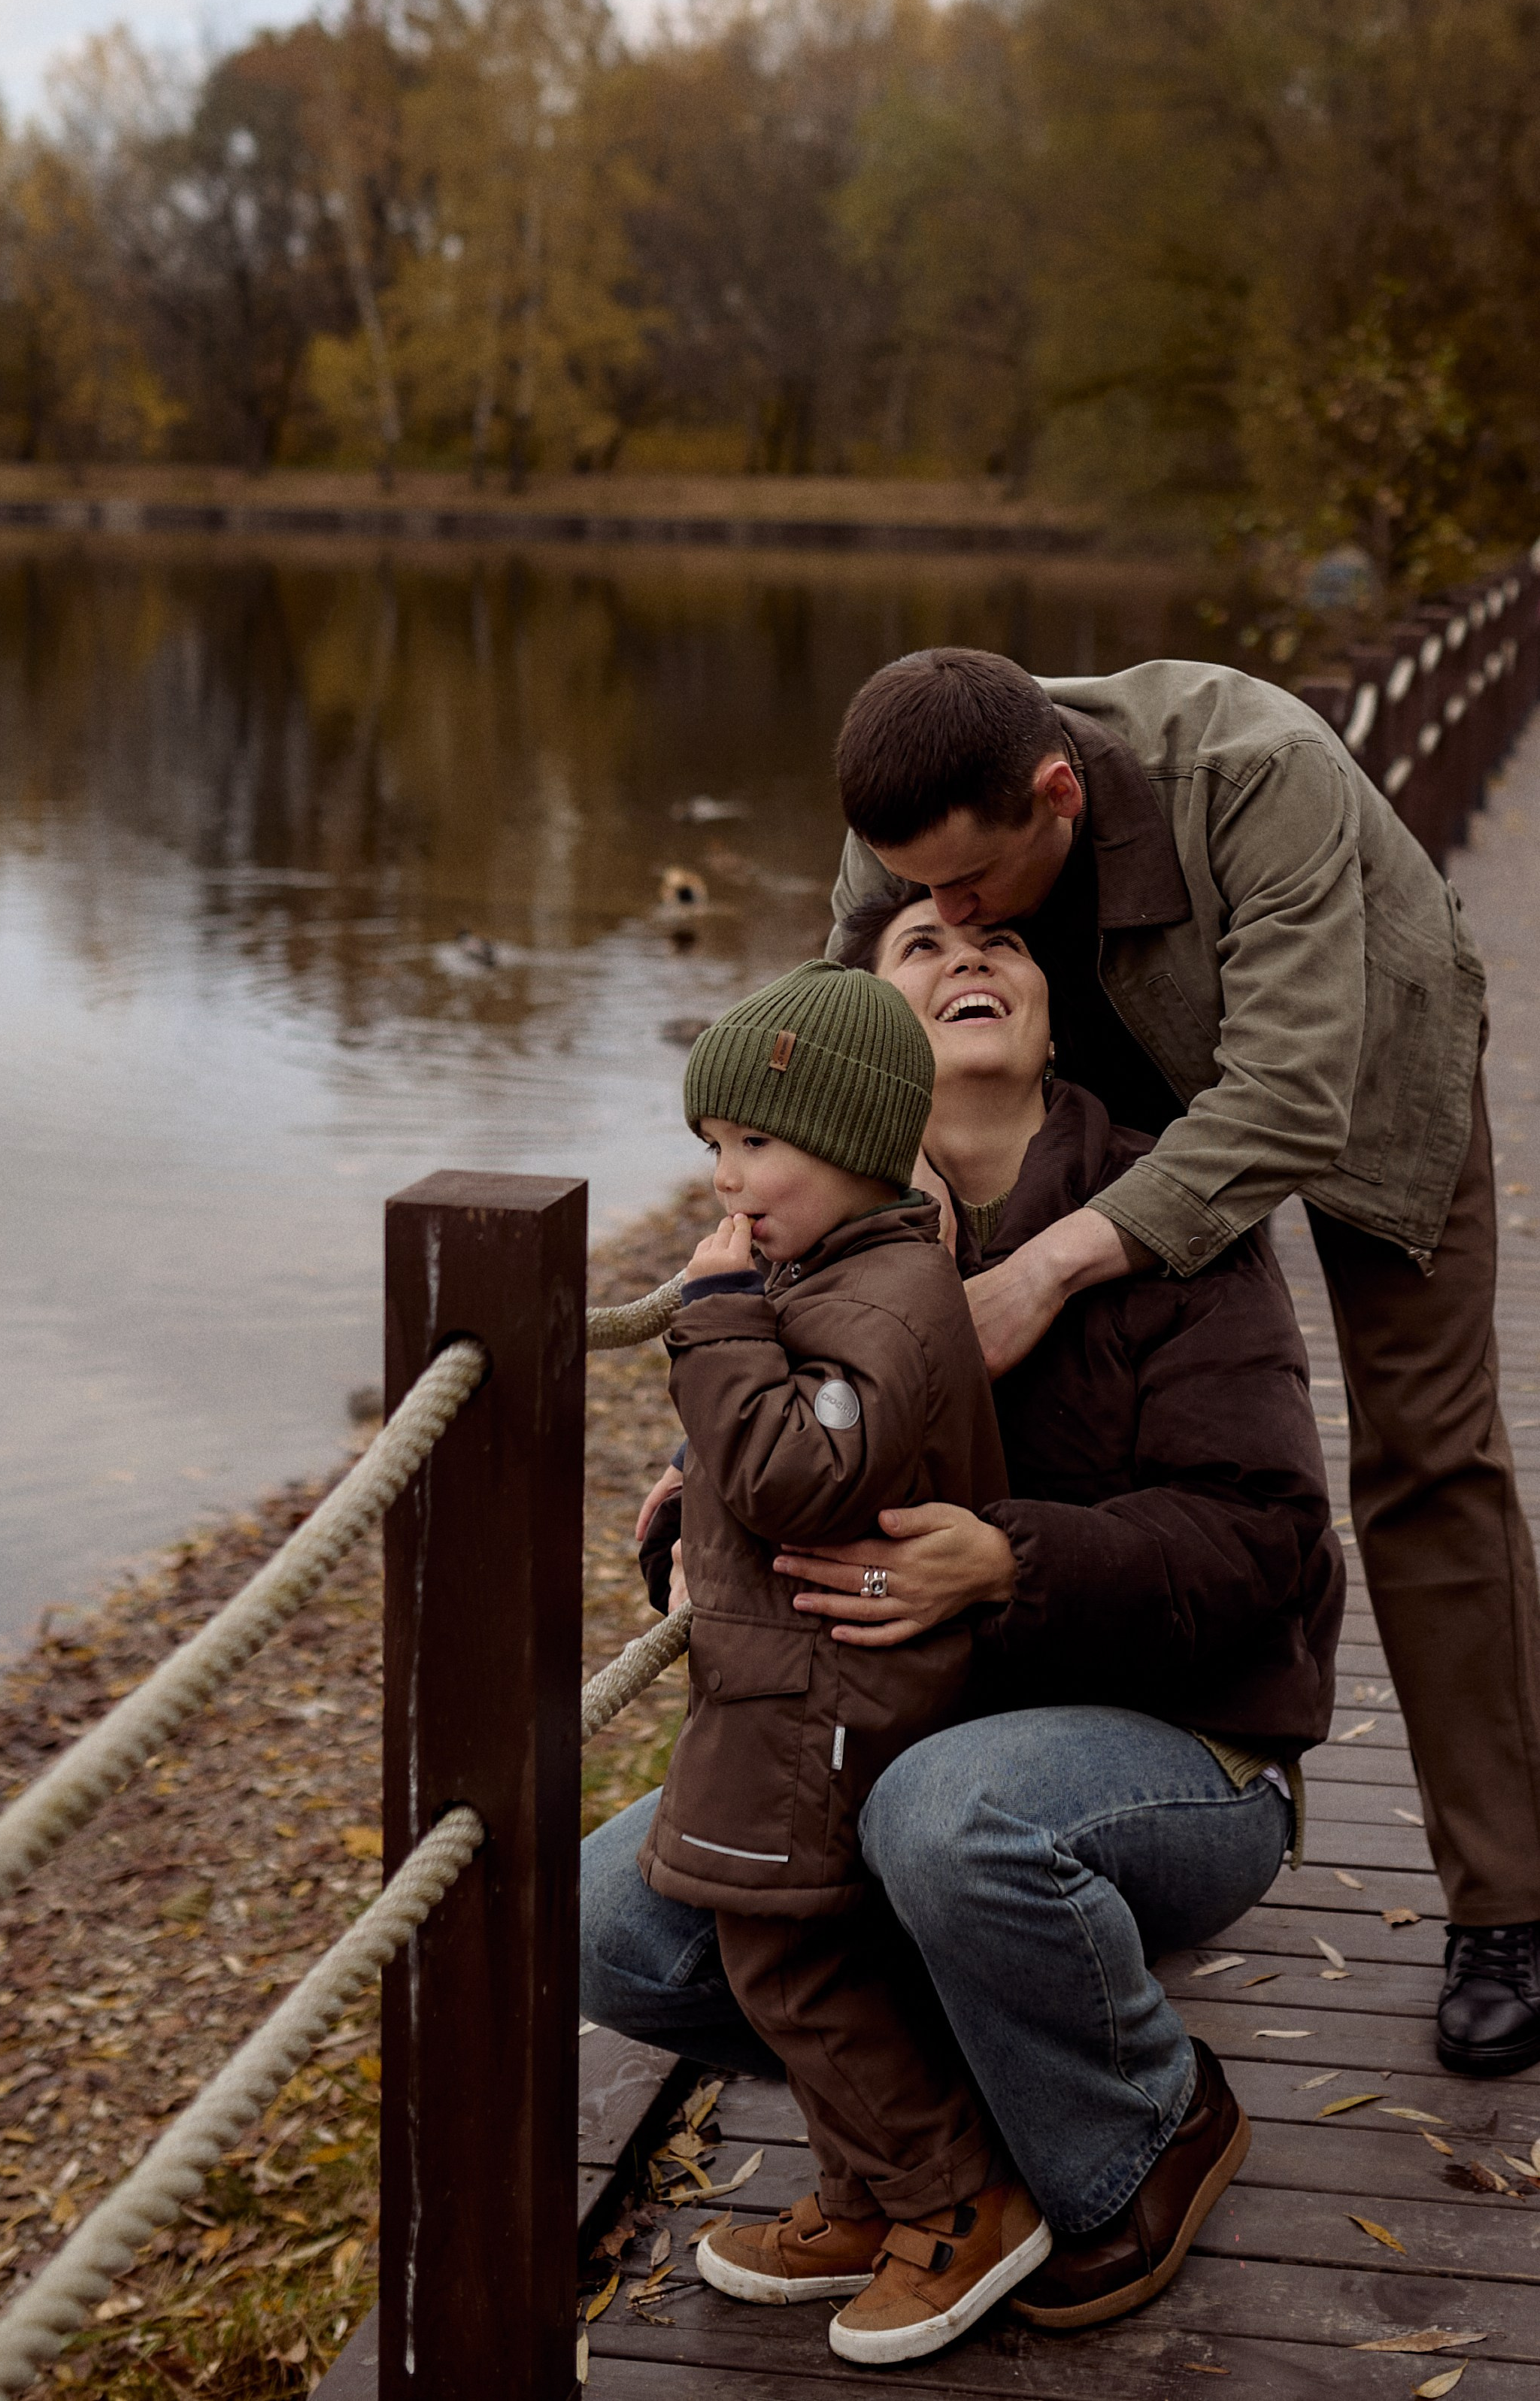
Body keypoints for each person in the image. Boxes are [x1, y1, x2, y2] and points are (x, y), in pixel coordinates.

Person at [588, 896, 1341, 2334]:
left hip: (1183, 1746)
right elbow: (781, 1487)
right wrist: (692, 1513)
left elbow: (1270, 1544)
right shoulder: (797, 1233)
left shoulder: (1166, 1215)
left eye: (1000, 939)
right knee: (616, 1922)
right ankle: (930, 2157)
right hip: (902, 1725)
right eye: (919, 947)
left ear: (1056, 1010)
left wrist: (1007, 1559)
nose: (968, 956)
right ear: (858, 1052)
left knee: (944, 1818)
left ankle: (1145, 2123)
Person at [825, 647, 1540, 2077]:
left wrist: (1048, 1260)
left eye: (970, 888)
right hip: (1087, 1055)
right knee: (1041, 1400)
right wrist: (752, 1241)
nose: (941, 915)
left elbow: (1286, 1094)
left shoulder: (1257, 767)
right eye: (919, 894)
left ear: (1056, 790)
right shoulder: (911, 819)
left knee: (1426, 1454)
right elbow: (834, 1052)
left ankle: (1513, 1901)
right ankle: (1089, 1811)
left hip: (1354, 1064)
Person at [646, 956, 1051, 2366]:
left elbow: (794, 1472)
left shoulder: (876, 1300)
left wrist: (708, 1325)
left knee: (797, 1961)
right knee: (794, 1955)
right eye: (712, 1148)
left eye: (759, 1143)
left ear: (858, 1141)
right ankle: (868, 2195)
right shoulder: (838, 1272)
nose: (726, 1180)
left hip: (828, 1705)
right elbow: (760, 1471)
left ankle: (957, 2202)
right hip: (793, 1695)